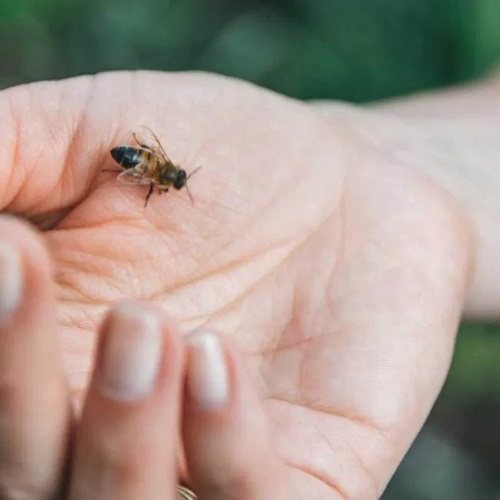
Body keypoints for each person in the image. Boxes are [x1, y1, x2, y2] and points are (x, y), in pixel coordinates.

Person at [0, 67, 497, 499]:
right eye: (171, 180)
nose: (167, 181)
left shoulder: (154, 168)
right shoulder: (156, 171)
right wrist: (368, 162)